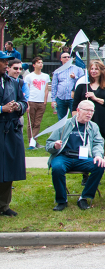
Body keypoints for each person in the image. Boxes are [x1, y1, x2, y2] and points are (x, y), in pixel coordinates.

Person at [46, 100, 105, 211]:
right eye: (87, 110)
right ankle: (62, 201)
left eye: (92, 111)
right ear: (78, 110)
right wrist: (55, 145)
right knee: (57, 168)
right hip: (64, 157)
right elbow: (48, 144)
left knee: (100, 165)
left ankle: (84, 198)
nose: (89, 113)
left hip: (83, 158)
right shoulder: (64, 124)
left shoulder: (94, 127)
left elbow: (98, 143)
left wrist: (98, 155)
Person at [0, 51, 27, 216]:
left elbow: (23, 101)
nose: (5, 64)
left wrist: (18, 106)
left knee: (8, 168)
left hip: (10, 130)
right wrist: (2, 109)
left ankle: (3, 205)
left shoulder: (14, 82)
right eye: (3, 62)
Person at [73, 60, 105, 144]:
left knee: (98, 143)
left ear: (101, 71)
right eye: (91, 69)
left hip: (101, 119)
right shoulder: (82, 86)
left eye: (96, 69)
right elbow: (75, 106)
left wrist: (95, 98)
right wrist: (76, 121)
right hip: (85, 120)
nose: (93, 71)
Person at [23, 56, 50, 149]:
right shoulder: (29, 76)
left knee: (37, 123)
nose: (41, 64)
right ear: (34, 65)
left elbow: (46, 89)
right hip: (31, 101)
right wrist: (26, 102)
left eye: (41, 62)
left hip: (41, 102)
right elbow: (26, 89)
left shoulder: (45, 76)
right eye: (38, 62)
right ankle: (32, 142)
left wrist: (45, 101)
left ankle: (33, 142)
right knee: (31, 122)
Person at [50, 51, 85, 120]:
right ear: (61, 59)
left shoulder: (77, 69)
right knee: (61, 119)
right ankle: (63, 131)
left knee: (76, 117)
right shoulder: (57, 71)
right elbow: (54, 86)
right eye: (65, 57)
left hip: (73, 98)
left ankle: (75, 130)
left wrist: (75, 77)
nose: (67, 58)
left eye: (68, 57)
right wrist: (53, 100)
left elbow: (82, 82)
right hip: (61, 98)